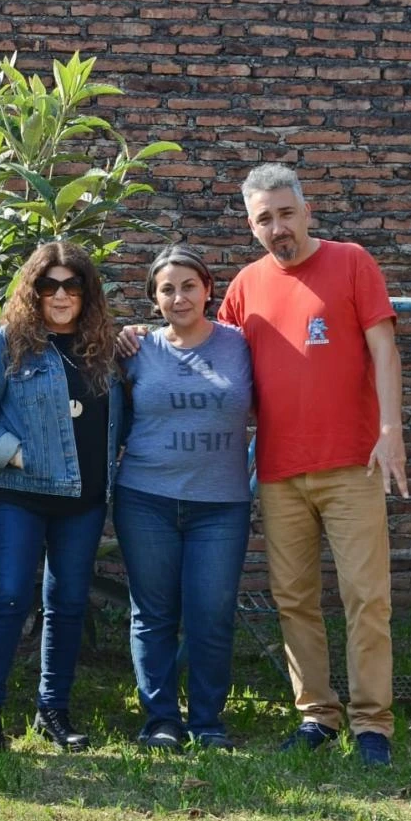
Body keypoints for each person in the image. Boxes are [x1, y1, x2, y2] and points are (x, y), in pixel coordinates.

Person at [218, 162, 408, 766]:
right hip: (279, 470)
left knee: (365, 597)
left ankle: (372, 725)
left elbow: (384, 347)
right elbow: (210, 353)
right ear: (252, 227)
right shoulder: (245, 286)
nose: (277, 227)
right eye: (263, 219)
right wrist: (142, 338)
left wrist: (390, 431)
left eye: (285, 212)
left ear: (307, 211)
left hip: (353, 464)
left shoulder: (352, 261)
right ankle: (317, 716)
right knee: (294, 599)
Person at [0, 242, 124, 753]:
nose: (61, 295)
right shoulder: (7, 344)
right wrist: (18, 454)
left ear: (87, 292)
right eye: (48, 285)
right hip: (19, 495)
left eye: (72, 285)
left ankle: (53, 712)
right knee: (7, 597)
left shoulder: (107, 350)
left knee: (68, 602)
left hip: (85, 499)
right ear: (33, 290)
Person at [114, 245, 252, 752]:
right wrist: (119, 340)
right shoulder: (136, 348)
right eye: (167, 289)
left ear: (208, 290)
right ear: (154, 298)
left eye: (188, 286)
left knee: (211, 612)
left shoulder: (241, 344)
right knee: (152, 613)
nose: (178, 297)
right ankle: (161, 720)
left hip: (221, 504)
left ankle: (209, 721)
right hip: (145, 498)